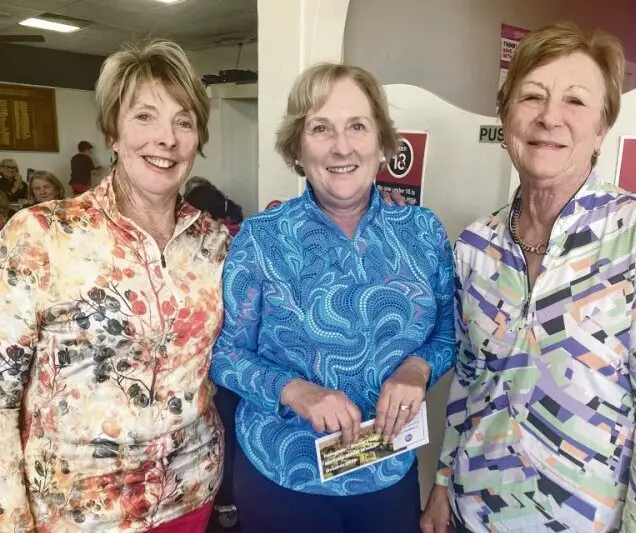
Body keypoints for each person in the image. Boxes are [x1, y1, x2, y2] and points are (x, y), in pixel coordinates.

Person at [420, 22, 636, 533]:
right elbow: (467, 380)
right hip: (471, 512)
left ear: (600, 130)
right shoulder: (475, 246)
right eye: (532, 96)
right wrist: (442, 483)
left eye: (575, 101)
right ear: (506, 116)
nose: (549, 116)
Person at [210, 62, 456, 533]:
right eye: (320, 128)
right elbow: (225, 354)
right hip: (282, 473)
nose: (341, 147)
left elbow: (448, 331)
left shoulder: (423, 232)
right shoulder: (261, 239)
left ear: (382, 143)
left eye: (357, 127)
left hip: (387, 469)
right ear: (298, 148)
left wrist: (417, 368)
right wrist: (294, 390)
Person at [0, 39, 229, 532]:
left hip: (189, 490)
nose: (165, 138)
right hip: (78, 509)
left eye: (183, 121)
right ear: (113, 132)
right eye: (145, 116)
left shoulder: (213, 243)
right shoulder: (42, 235)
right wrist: (11, 518)